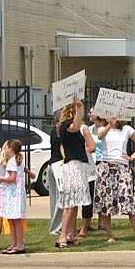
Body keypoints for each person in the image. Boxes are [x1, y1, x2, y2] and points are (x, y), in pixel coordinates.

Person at [95, 117, 135, 243]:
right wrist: (109, 125)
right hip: (107, 166)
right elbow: (100, 136)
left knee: (127, 197)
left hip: (122, 167)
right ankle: (110, 235)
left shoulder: (127, 129)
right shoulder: (103, 128)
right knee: (107, 201)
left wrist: (131, 156)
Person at [55, 99, 94, 249]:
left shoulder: (78, 128)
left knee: (76, 203)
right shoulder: (65, 126)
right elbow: (75, 126)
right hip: (71, 166)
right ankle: (62, 235)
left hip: (80, 166)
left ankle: (70, 234)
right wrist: (80, 108)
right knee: (69, 204)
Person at [0, 139, 27, 254]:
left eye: (6, 148)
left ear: (10, 149)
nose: (4, 150)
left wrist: (2, 179)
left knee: (16, 220)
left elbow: (12, 178)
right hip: (13, 194)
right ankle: (14, 243)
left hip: (14, 194)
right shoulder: (16, 160)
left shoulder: (12, 161)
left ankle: (19, 244)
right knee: (11, 220)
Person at [79, 106, 104, 238]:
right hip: (90, 162)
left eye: (92, 112)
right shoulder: (87, 130)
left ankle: (101, 221)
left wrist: (102, 162)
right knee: (89, 192)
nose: (89, 114)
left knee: (101, 192)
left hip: (102, 162)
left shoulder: (105, 129)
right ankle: (88, 223)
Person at [46, 112, 63, 236]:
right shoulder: (60, 132)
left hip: (52, 164)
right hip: (59, 165)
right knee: (60, 198)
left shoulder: (53, 130)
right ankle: (57, 228)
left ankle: (55, 225)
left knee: (54, 198)